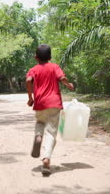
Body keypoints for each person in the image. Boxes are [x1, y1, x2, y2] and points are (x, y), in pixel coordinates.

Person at [26, 44, 74, 176]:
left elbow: (28, 80)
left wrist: (30, 98)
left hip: (40, 103)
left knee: (40, 123)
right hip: (54, 103)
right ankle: (46, 159)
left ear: (36, 57)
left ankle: (38, 136)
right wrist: (69, 85)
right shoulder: (54, 67)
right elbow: (62, 78)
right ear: (50, 57)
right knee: (51, 132)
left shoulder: (33, 69)